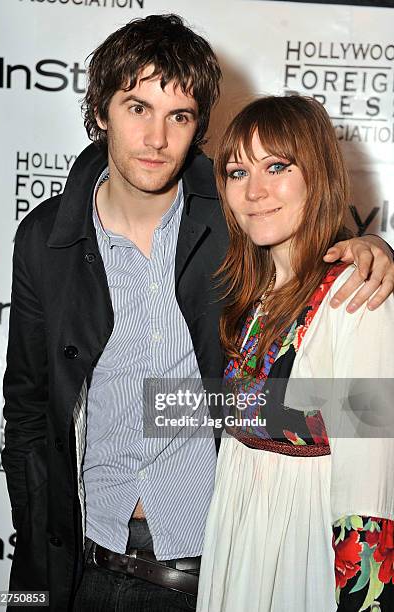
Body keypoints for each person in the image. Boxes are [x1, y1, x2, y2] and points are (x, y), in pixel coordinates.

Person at [1, 14, 393, 612]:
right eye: (137, 108)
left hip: (213, 570)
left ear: (197, 128)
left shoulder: (232, 221)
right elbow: (28, 414)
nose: (156, 138)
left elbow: (304, 242)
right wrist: (29, 585)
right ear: (101, 112)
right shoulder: (44, 239)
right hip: (82, 564)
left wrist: (372, 246)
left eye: (178, 116)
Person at [196, 95, 394, 612]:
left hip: (303, 557)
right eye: (238, 172)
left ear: (319, 176)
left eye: (277, 166)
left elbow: (370, 491)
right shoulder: (252, 294)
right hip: (240, 545)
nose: (254, 191)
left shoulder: (358, 295)